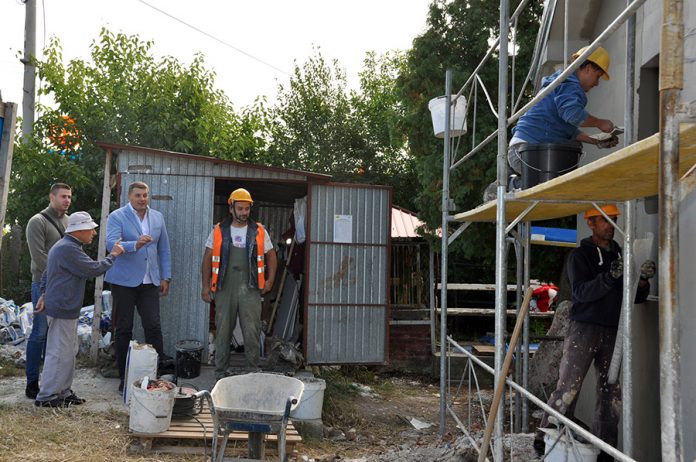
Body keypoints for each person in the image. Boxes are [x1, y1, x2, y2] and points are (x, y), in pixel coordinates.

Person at [533, 204, 655, 460]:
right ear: (590, 223)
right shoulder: (580, 256)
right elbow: (581, 293)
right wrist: (609, 277)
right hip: (584, 328)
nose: (611, 225)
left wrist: (642, 281)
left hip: (613, 330)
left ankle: (605, 450)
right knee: (569, 385)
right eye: (605, 220)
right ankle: (544, 439)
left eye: (613, 219)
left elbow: (635, 297)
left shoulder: (620, 255)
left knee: (610, 392)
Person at [33, 212, 125, 407]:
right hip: (63, 307)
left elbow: (47, 273)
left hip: (63, 306)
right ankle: (46, 397)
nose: (93, 233)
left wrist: (43, 294)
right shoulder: (68, 248)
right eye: (90, 229)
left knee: (67, 352)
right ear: (79, 230)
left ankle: (63, 392)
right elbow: (93, 269)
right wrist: (113, 255)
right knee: (59, 352)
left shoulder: (65, 246)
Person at [508, 46, 619, 178]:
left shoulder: (563, 83)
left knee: (569, 150)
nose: (597, 83)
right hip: (527, 151)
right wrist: (599, 123)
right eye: (598, 76)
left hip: (526, 150)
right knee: (558, 170)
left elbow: (568, 130)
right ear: (588, 68)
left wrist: (597, 141)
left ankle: (516, 182)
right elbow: (573, 115)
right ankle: (512, 184)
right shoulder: (570, 84)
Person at [201, 188, 277, 378]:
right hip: (224, 286)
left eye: (247, 209)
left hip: (251, 286)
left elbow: (271, 255)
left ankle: (252, 369)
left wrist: (270, 280)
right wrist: (205, 286)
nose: (244, 212)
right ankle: (221, 371)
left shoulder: (258, 231)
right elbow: (207, 257)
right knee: (223, 329)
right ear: (231, 208)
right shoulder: (219, 230)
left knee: (252, 329)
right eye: (240, 208)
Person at [105, 181, 172, 392]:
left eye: (145, 195)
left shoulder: (157, 217)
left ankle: (156, 376)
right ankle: (124, 378)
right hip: (123, 281)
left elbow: (164, 249)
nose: (142, 199)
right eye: (138, 195)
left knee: (153, 326)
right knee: (124, 328)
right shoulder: (117, 216)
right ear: (129, 197)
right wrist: (135, 244)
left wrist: (166, 277)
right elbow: (111, 244)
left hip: (150, 281)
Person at [24, 183, 72, 399]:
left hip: (64, 286)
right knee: (40, 333)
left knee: (58, 337)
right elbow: (39, 257)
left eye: (69, 196)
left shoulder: (69, 221)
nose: (67, 200)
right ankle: (32, 382)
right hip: (42, 284)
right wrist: (60, 275)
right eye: (63, 196)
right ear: (51, 197)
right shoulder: (37, 221)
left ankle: (53, 383)